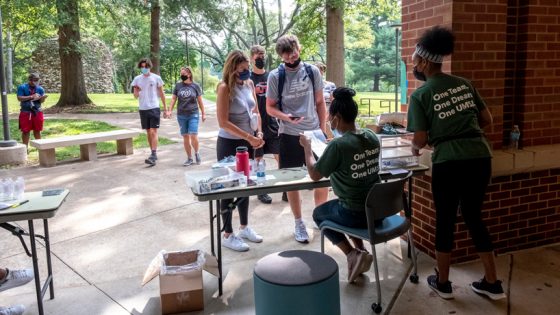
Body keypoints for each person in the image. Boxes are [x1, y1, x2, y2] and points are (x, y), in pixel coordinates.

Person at [406, 26, 505, 300]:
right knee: (474, 217)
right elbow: (487, 121)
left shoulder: (420, 95)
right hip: (480, 157)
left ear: (424, 61)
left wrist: (416, 147)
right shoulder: (464, 83)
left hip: (449, 162)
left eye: (414, 60)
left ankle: (444, 282)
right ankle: (493, 282)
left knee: (445, 220)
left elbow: (420, 137)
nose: (413, 65)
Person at [300, 87, 378, 283]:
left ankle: (351, 253)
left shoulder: (338, 145)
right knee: (344, 202)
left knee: (319, 213)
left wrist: (308, 148)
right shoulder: (371, 136)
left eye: (330, 116)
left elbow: (315, 174)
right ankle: (361, 250)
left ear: (336, 118)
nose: (328, 121)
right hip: (377, 211)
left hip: (355, 213)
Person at [266, 34, 329, 243]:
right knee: (292, 181)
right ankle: (298, 222)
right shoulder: (276, 76)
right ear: (281, 57)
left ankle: (321, 217)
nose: (292, 60)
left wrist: (321, 129)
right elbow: (270, 107)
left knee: (321, 178)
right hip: (289, 134)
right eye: (287, 58)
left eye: (293, 55)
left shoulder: (312, 72)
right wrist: (286, 117)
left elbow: (320, 102)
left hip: (313, 133)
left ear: (298, 49)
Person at [216, 50, 265, 252]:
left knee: (246, 186)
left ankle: (244, 227)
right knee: (229, 189)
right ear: (233, 67)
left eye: (248, 69)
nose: (246, 73)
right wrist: (248, 137)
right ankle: (228, 233)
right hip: (229, 144)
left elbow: (256, 111)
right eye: (243, 69)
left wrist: (259, 132)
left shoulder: (250, 84)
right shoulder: (225, 88)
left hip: (249, 142)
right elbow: (223, 121)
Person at [249, 45, 280, 204]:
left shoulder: (271, 76)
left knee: (280, 155)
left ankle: (287, 188)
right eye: (257, 55)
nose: (260, 57)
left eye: (262, 54)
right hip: (256, 125)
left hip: (272, 123)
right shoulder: (247, 79)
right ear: (251, 58)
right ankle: (262, 190)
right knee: (258, 159)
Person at [131, 58, 167, 166]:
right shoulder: (137, 79)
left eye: (146, 67)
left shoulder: (156, 78)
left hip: (154, 107)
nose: (144, 69)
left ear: (149, 66)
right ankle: (153, 154)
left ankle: (153, 154)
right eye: (142, 67)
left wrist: (165, 108)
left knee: (153, 131)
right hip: (143, 108)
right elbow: (135, 96)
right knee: (148, 132)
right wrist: (137, 90)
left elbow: (161, 93)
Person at [168, 66, 206, 166]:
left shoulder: (195, 86)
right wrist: (170, 110)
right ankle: (189, 158)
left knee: (193, 135)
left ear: (189, 74)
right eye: (181, 73)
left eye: (184, 73)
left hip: (193, 113)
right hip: (181, 115)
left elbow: (200, 101)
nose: (182, 75)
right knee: (185, 136)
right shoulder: (178, 86)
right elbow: (173, 99)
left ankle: (197, 153)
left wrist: (203, 113)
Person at [17, 73, 47, 147]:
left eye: (38, 80)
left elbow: (41, 102)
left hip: (37, 111)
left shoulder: (40, 89)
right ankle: (25, 148)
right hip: (26, 112)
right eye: (35, 80)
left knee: (37, 130)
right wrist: (31, 96)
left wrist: (42, 98)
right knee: (26, 131)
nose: (36, 82)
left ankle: (40, 147)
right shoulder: (22, 87)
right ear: (30, 80)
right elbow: (19, 98)